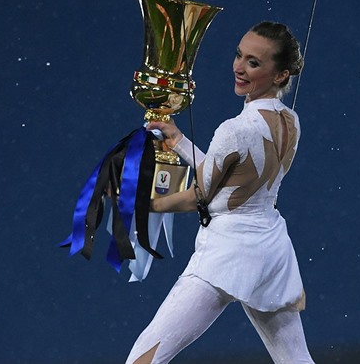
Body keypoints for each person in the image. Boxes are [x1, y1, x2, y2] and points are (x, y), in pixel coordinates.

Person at [125, 21, 315, 364]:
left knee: (145, 358)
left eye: (253, 63)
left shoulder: (235, 129)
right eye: (239, 55)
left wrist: (144, 204)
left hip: (227, 254)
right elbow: (235, 178)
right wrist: (179, 141)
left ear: (280, 75)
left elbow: (200, 195)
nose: (239, 67)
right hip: (271, 250)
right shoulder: (291, 122)